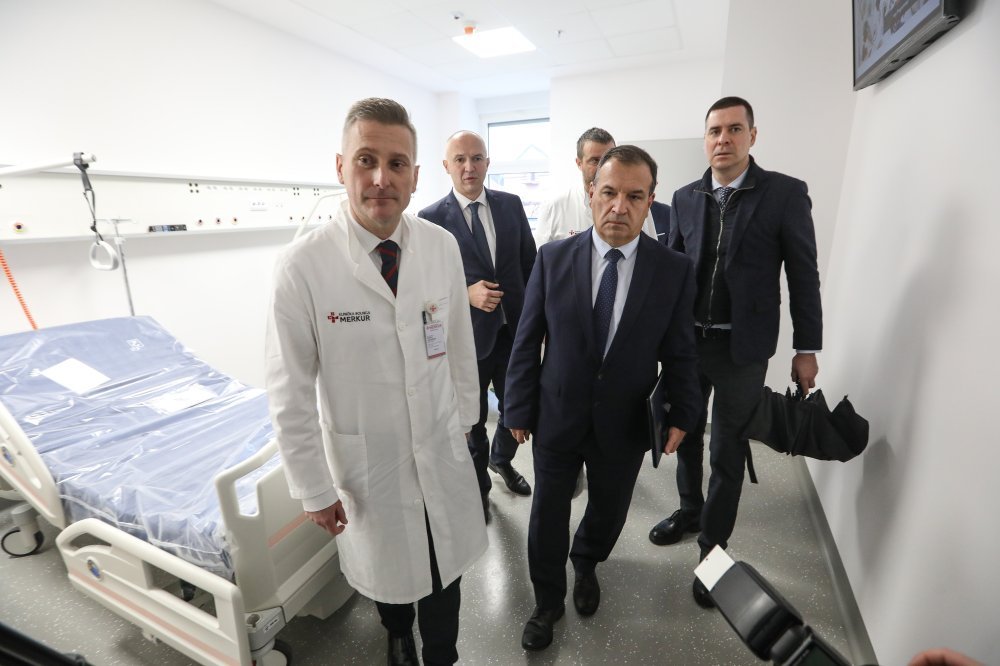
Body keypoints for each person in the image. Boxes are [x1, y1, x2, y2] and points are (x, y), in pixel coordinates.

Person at [264, 98, 487, 666]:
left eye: (397, 163)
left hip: (440, 443)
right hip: (369, 462)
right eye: (366, 160)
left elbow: (459, 343)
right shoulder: (303, 266)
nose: (381, 178)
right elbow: (289, 390)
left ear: (415, 175)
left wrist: (466, 422)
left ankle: (443, 654)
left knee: (444, 566)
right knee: (390, 570)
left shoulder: (440, 246)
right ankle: (396, 632)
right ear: (341, 167)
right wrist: (313, 488)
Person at [504, 145, 703, 651]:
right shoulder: (553, 258)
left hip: (625, 420)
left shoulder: (673, 270)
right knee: (547, 512)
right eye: (609, 192)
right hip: (557, 413)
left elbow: (681, 351)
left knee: (610, 508)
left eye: (634, 196)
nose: (619, 206)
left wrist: (684, 413)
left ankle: (587, 560)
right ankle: (547, 600)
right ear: (591, 192)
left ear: (651, 201)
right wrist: (517, 407)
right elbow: (527, 339)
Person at [647, 96, 823, 609]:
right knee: (684, 433)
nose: (722, 139)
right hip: (689, 344)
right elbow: (673, 271)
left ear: (752, 135)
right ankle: (689, 510)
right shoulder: (685, 196)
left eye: (733, 129)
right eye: (714, 131)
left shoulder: (784, 194)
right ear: (705, 139)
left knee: (726, 451)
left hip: (742, 350)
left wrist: (806, 348)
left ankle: (712, 550)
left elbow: (804, 275)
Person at [418, 131, 537, 521]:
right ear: (446, 166)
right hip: (466, 337)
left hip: (514, 331)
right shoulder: (430, 219)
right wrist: (464, 293)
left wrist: (537, 322)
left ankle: (500, 460)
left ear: (487, 163)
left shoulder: (511, 205)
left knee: (518, 407)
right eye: (460, 159)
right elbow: (423, 289)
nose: (469, 167)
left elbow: (529, 263)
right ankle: (479, 491)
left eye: (476, 158)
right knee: (472, 418)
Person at [535, 127, 659, 245]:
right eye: (595, 160)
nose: (602, 166)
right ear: (579, 163)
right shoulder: (554, 207)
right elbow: (542, 255)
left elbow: (651, 250)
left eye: (608, 159)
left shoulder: (638, 206)